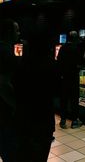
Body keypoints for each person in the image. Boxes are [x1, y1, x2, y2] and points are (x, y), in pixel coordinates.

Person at [15, 33, 56, 162]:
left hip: (26, 118)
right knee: (42, 155)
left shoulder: (22, 65)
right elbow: (56, 90)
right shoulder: (50, 64)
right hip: (45, 117)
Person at [0, 18, 20, 162]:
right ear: (9, 32)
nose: (19, 33)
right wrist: (16, 106)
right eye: (17, 30)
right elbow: (3, 84)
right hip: (5, 112)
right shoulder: (6, 52)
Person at [57, 30, 84, 129]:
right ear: (75, 38)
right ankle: (74, 121)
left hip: (64, 78)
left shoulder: (62, 48)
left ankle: (63, 120)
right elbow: (80, 62)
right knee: (74, 100)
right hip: (73, 78)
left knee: (63, 100)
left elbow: (58, 61)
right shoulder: (77, 49)